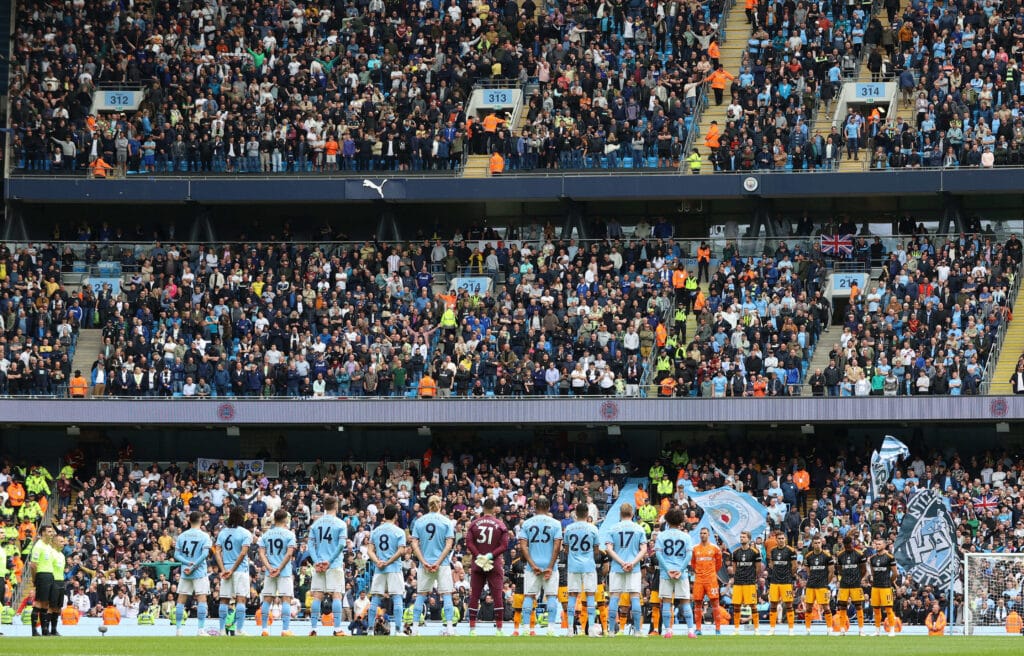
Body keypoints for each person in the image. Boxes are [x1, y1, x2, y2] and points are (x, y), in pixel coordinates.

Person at [517, 496, 564, 637]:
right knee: (551, 596)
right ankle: (551, 629)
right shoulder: (556, 523)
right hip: (550, 566)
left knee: (529, 596)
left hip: (532, 566)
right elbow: (557, 547)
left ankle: (526, 629)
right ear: (548, 507)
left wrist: (532, 565)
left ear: (535, 508)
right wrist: (550, 566)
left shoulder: (527, 523)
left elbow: (523, 547)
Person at [410, 495, 456, 636]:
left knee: (421, 595)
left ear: (428, 505)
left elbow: (414, 544)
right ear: (440, 504)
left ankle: (415, 628)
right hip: (442, 564)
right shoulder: (446, 521)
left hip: (425, 563)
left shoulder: (419, 521)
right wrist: (438, 561)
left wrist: (423, 561)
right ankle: (449, 628)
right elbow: (449, 545)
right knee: (446, 594)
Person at [465, 497, 509, 635]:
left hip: (478, 564)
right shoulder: (500, 525)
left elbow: (469, 542)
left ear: (483, 508)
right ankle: (499, 629)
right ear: (495, 509)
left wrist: (479, 556)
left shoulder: (474, 524)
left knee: (475, 595)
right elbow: (504, 545)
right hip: (493, 563)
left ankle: (472, 629)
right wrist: (490, 556)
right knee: (497, 595)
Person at [307, 495, 349, 636]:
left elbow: (310, 545)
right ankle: (337, 629)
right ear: (336, 506)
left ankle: (313, 628)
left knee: (317, 596)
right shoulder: (341, 524)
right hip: (334, 564)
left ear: (324, 507)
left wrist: (316, 561)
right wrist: (329, 561)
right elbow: (341, 545)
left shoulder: (315, 524)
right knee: (336, 595)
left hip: (319, 564)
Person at [604, 503, 647, 636]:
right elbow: (644, 549)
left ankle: (611, 630)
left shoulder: (613, 528)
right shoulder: (639, 529)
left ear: (620, 513)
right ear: (632, 514)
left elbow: (609, 549)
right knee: (635, 597)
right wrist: (632, 563)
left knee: (614, 597)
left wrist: (622, 562)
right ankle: (637, 631)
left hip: (617, 567)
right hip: (634, 568)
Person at [366, 504, 408, 636]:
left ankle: (370, 630)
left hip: (379, 569)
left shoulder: (376, 531)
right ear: (396, 516)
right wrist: (388, 562)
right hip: (394, 568)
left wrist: (378, 561)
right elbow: (401, 551)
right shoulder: (399, 532)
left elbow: (369, 551)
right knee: (397, 597)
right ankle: (398, 630)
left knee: (375, 599)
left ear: (384, 515)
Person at [655, 508, 696, 639]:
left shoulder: (661, 535)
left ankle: (668, 630)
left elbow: (658, 554)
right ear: (681, 521)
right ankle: (691, 631)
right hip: (681, 573)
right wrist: (680, 569)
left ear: (667, 520)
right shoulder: (686, 536)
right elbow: (689, 555)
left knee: (666, 601)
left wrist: (668, 569)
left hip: (665, 573)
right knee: (685, 601)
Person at [257, 509, 297, 637]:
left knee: (267, 599)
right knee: (286, 599)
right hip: (284, 571)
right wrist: (279, 568)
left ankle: (264, 629)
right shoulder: (289, 535)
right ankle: (285, 630)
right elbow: (289, 554)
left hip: (270, 572)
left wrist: (269, 568)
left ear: (274, 519)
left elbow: (261, 553)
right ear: (285, 519)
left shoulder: (266, 534)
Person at [215, 505, 253, 636]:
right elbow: (243, 553)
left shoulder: (222, 532)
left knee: (224, 599)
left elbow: (217, 552)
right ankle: (239, 629)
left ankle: (221, 630)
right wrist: (232, 569)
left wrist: (223, 569)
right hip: (240, 569)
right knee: (241, 599)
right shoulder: (246, 533)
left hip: (226, 569)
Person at [562, 503, 599, 637]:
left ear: (575, 514)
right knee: (590, 595)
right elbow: (596, 550)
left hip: (573, 565)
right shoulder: (593, 528)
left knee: (572, 595)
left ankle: (570, 629)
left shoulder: (569, 528)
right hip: (588, 565)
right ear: (587, 513)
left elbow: (566, 549)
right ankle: (591, 629)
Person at [173, 510, 213, 636]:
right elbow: (205, 554)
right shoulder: (204, 536)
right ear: (201, 521)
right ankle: (200, 630)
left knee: (181, 600)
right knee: (202, 599)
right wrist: (194, 566)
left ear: (189, 520)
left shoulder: (182, 536)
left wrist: (187, 563)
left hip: (185, 572)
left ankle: (178, 630)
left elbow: (176, 555)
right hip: (199, 572)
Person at [691, 526, 723, 635]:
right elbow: (693, 564)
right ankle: (698, 629)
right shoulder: (695, 549)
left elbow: (719, 564)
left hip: (711, 580)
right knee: (697, 604)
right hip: (699, 580)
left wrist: (711, 572)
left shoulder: (715, 548)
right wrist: (700, 572)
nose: (702, 535)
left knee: (715, 603)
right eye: (701, 533)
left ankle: (717, 629)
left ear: (709, 534)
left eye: (704, 533)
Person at [730, 530, 761, 635]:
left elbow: (758, 568)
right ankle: (736, 629)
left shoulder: (755, 552)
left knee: (753, 605)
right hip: (738, 583)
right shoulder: (735, 552)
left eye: (744, 537)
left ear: (749, 539)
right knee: (736, 606)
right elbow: (734, 568)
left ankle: (756, 629)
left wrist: (753, 578)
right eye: (741, 537)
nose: (742, 538)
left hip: (750, 582)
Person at [835, 535, 868, 635]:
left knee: (858, 605)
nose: (848, 547)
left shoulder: (859, 554)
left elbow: (863, 570)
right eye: (846, 546)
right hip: (844, 584)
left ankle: (861, 629)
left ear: (852, 544)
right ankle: (842, 629)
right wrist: (844, 577)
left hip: (855, 584)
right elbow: (839, 569)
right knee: (842, 606)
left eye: (849, 545)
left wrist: (858, 579)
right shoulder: (840, 555)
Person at [766, 530, 797, 635]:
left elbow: (794, 566)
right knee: (773, 604)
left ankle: (791, 629)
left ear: (785, 539)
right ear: (776, 540)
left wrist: (788, 575)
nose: (781, 540)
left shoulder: (791, 550)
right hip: (774, 581)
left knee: (789, 605)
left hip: (786, 582)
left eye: (782, 538)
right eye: (779, 539)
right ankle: (772, 629)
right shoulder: (773, 551)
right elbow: (771, 564)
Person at [802, 536, 834, 635]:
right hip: (811, 585)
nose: (817, 545)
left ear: (821, 543)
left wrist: (826, 583)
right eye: (815, 543)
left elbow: (831, 572)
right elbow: (808, 571)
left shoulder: (827, 556)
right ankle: (808, 629)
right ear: (812, 544)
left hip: (822, 585)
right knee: (808, 607)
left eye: (819, 543)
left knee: (826, 607)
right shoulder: (808, 556)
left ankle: (829, 629)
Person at [28, 525, 56, 636]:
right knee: (39, 602)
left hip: (50, 575)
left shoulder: (49, 546)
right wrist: (34, 578)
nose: (51, 533)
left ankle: (44, 630)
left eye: (52, 531)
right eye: (49, 531)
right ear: (43, 533)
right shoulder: (38, 546)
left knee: (46, 603)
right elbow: (33, 565)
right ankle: (34, 630)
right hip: (42, 575)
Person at [869, 537, 899, 637]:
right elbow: (873, 572)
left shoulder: (890, 557)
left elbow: (895, 573)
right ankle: (877, 631)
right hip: (875, 587)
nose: (877, 546)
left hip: (886, 587)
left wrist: (890, 581)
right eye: (876, 544)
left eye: (879, 544)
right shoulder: (872, 558)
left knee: (888, 609)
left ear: (884, 545)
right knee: (876, 609)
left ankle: (892, 630)